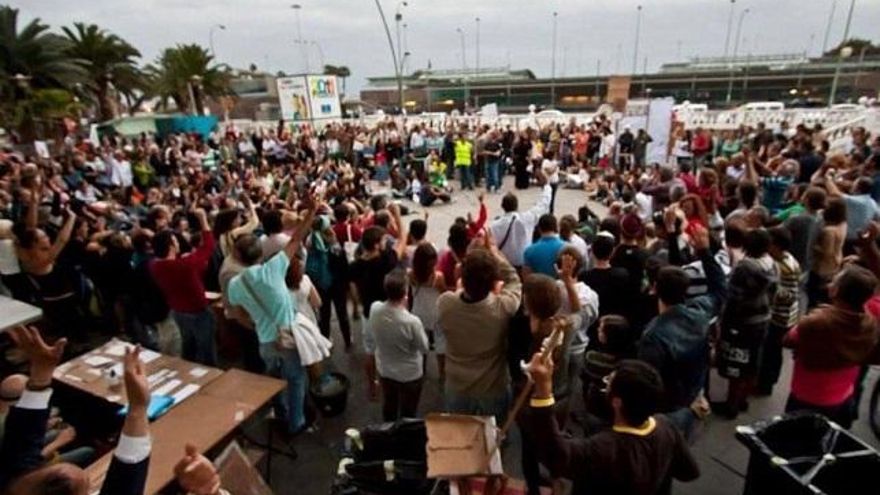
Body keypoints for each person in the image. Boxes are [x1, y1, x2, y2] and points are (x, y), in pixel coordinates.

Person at [0, 326, 151, 495]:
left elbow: (20, 452)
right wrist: (138, 408)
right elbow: (125, 486)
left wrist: (40, 375)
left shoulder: (13, 481)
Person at [526, 355, 700, 495]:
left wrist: (543, 389)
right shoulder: (666, 427)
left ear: (617, 402)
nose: (606, 383)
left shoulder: (603, 448)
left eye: (610, 381)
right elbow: (689, 472)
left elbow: (555, 455)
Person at [227, 197, 318, 436]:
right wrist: (311, 211)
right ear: (260, 254)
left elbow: (237, 314)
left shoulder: (235, 284)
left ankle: (281, 410)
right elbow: (297, 238)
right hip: (288, 336)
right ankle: (296, 422)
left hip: (265, 339)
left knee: (273, 377)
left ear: (237, 257)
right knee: (296, 379)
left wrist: (255, 323)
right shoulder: (275, 267)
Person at [638, 225, 725, 438]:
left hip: (668, 409)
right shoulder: (700, 311)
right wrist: (705, 251)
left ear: (654, 288)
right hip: (694, 397)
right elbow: (720, 289)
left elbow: (647, 380)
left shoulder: (653, 335)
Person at [438, 231, 522, 422]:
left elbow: (457, 293)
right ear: (493, 283)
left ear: (462, 277)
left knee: (459, 437)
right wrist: (493, 251)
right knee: (493, 437)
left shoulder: (445, 303)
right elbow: (513, 279)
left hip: (457, 385)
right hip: (492, 387)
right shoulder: (503, 307)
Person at [783, 265, 880, 428]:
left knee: (796, 445)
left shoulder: (818, 321)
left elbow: (788, 340)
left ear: (837, 291)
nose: (829, 284)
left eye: (834, 282)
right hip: (844, 396)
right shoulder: (869, 322)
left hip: (808, 397)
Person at [150, 208, 218, 365]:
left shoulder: (154, 266)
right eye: (175, 240)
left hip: (178, 311)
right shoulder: (185, 265)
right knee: (206, 347)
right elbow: (208, 246)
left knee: (188, 346)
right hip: (198, 311)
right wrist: (203, 219)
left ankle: (188, 370)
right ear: (172, 246)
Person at [364, 270, 430, 421]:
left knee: (389, 405)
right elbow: (424, 347)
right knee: (409, 411)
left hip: (386, 370)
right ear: (405, 293)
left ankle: (389, 433)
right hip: (410, 374)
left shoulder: (375, 309)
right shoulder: (412, 321)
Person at [757, 226, 801, 395]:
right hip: (782, 315)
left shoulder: (785, 267)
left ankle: (766, 384)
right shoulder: (786, 260)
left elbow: (791, 294)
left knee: (771, 352)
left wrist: (772, 287)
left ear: (776, 246)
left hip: (780, 318)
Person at [489, 175, 551, 269]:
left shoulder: (494, 225)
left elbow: (492, 245)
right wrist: (547, 187)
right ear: (517, 206)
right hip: (524, 263)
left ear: (502, 207)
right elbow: (543, 204)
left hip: (505, 264)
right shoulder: (526, 218)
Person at [409, 243, 449, 381]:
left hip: (418, 312)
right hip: (436, 313)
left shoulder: (410, 274)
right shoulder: (437, 277)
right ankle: (442, 373)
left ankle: (421, 369)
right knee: (440, 343)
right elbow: (444, 291)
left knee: (422, 343)